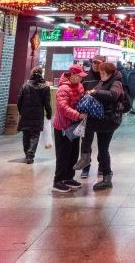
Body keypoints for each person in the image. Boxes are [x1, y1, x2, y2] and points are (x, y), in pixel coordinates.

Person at [75, 61, 125, 190]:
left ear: (110, 73)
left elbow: (113, 95)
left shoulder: (116, 82)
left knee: (88, 124)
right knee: (103, 149)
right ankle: (107, 178)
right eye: (100, 73)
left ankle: (85, 156)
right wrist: (91, 92)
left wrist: (95, 93)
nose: (101, 75)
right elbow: (96, 90)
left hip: (110, 119)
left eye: (103, 73)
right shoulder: (103, 82)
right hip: (104, 118)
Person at [52, 65, 87, 193]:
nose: (80, 79)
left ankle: (68, 178)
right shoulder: (63, 89)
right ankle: (58, 181)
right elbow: (63, 107)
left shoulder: (80, 86)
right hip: (63, 127)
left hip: (75, 127)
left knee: (73, 154)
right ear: (71, 74)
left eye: (81, 77)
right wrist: (78, 115)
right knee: (63, 155)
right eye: (78, 76)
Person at [16, 66, 52, 164]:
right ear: (41, 74)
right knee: (35, 135)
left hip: (26, 114)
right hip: (38, 115)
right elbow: (47, 103)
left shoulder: (25, 85)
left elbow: (19, 101)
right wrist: (49, 114)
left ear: (32, 73)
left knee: (26, 134)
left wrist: (21, 111)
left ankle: (26, 153)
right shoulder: (45, 87)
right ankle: (30, 155)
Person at [78, 55, 106, 180]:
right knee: (86, 143)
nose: (95, 65)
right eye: (94, 62)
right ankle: (86, 167)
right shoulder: (85, 78)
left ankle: (102, 166)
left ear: (103, 64)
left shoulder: (105, 78)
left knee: (102, 144)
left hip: (102, 115)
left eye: (98, 63)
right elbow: (79, 93)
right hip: (87, 116)